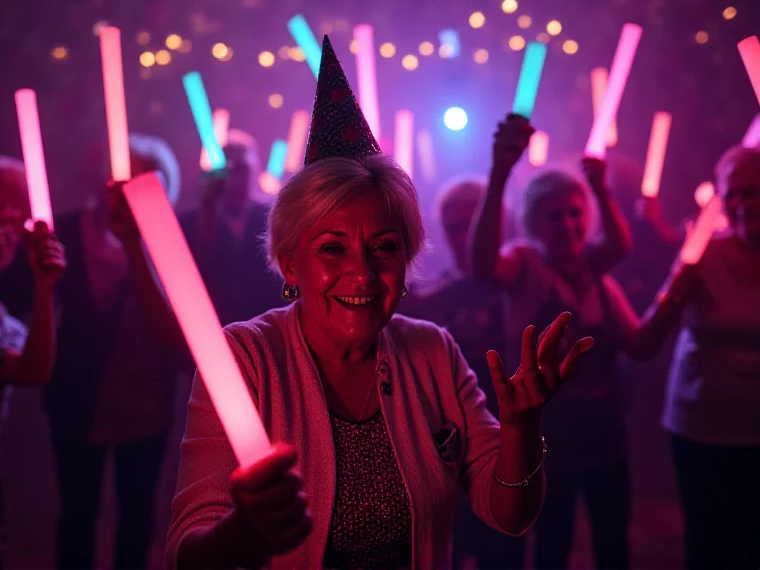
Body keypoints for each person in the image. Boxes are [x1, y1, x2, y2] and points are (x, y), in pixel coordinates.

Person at [167, 36, 595, 570]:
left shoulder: (433, 352)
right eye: (332, 247)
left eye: (385, 247)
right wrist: (243, 535)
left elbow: (508, 512)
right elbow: (187, 552)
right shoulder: (243, 360)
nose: (363, 272)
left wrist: (522, 428)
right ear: (289, 261)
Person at [468, 116, 667, 570]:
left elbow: (620, 245)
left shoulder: (595, 273)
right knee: (552, 547)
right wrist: (500, 174)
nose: (568, 224)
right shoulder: (525, 264)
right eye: (554, 216)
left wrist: (600, 188)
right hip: (547, 441)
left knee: (614, 544)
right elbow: (482, 264)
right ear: (534, 223)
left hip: (605, 436)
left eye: (575, 213)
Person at [0, 136, 185, 570]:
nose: (120, 189)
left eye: (138, 181)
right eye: (118, 176)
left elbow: (176, 336)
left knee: (137, 515)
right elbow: (10, 298)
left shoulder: (168, 241)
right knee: (77, 513)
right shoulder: (59, 232)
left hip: (145, 401)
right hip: (76, 400)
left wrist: (138, 245)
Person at [655, 146, 760, 570]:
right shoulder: (701, 254)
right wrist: (677, 289)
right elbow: (654, 330)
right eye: (731, 194)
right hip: (699, 422)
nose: (740, 205)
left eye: (752, 192)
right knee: (706, 539)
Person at [412, 176, 524, 570]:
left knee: (503, 545)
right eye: (455, 226)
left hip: (503, 430)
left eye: (472, 225)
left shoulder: (515, 283)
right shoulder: (434, 292)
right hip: (448, 438)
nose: (463, 236)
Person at [0, 158, 65, 570]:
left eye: (17, 212)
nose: (1, 233)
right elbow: (33, 369)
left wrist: (43, 286)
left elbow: (34, 355)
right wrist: (43, 286)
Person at [180, 133, 284, 326]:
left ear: (255, 171)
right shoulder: (193, 221)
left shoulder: (273, 220)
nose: (234, 179)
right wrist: (207, 212)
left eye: (241, 170)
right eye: (228, 170)